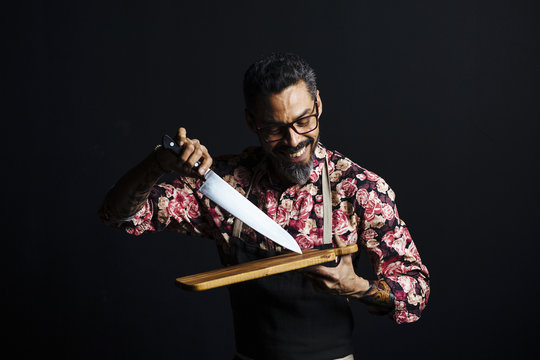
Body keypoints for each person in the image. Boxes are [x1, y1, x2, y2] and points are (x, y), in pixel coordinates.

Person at [99, 53, 430, 360]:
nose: (293, 140)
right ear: (251, 121)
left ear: (318, 104)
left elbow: (415, 291)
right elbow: (118, 215)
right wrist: (158, 162)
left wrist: (358, 286)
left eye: (304, 121)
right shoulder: (227, 186)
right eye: (274, 128)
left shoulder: (359, 189)